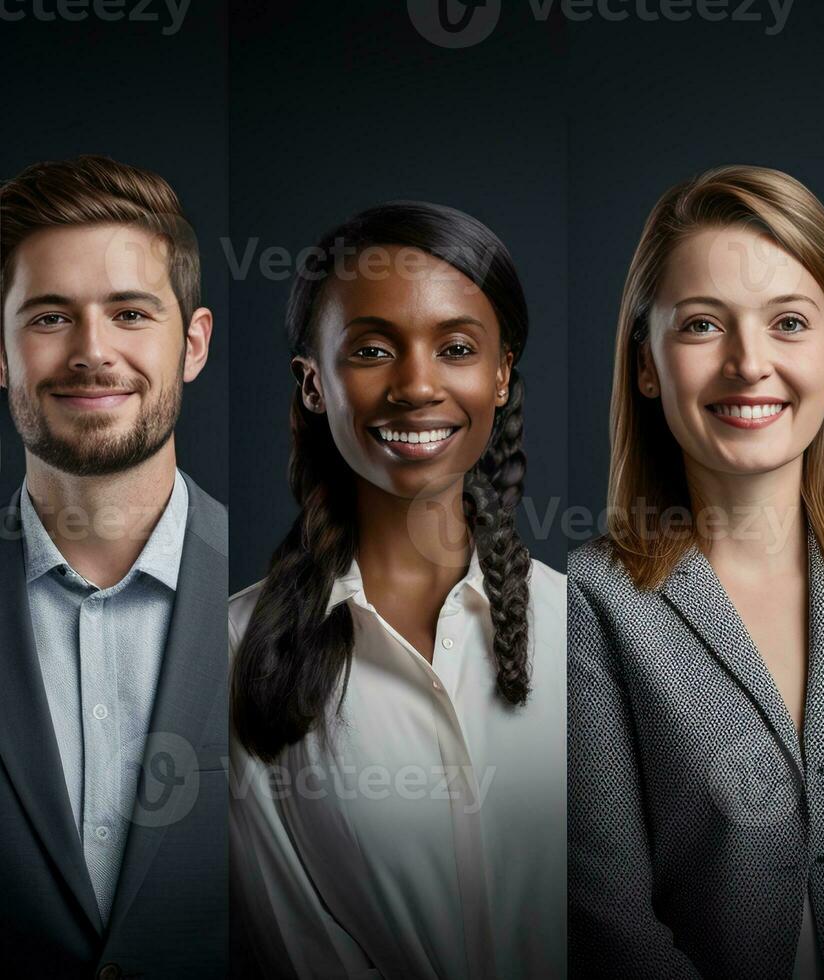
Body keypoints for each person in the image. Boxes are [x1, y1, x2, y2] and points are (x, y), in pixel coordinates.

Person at [568, 165, 824, 979]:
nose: (748, 363)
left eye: (789, 322)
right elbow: (608, 923)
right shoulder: (588, 603)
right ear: (646, 365)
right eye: (701, 326)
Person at [228, 202, 566, 979]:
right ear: (313, 384)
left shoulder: (589, 629)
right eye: (373, 349)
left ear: (501, 372)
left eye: (455, 347)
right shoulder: (231, 652)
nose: (416, 386)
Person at [0, 154, 226, 978]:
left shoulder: (294, 595)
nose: (94, 353)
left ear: (192, 344)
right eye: (51, 318)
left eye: (131, 313)